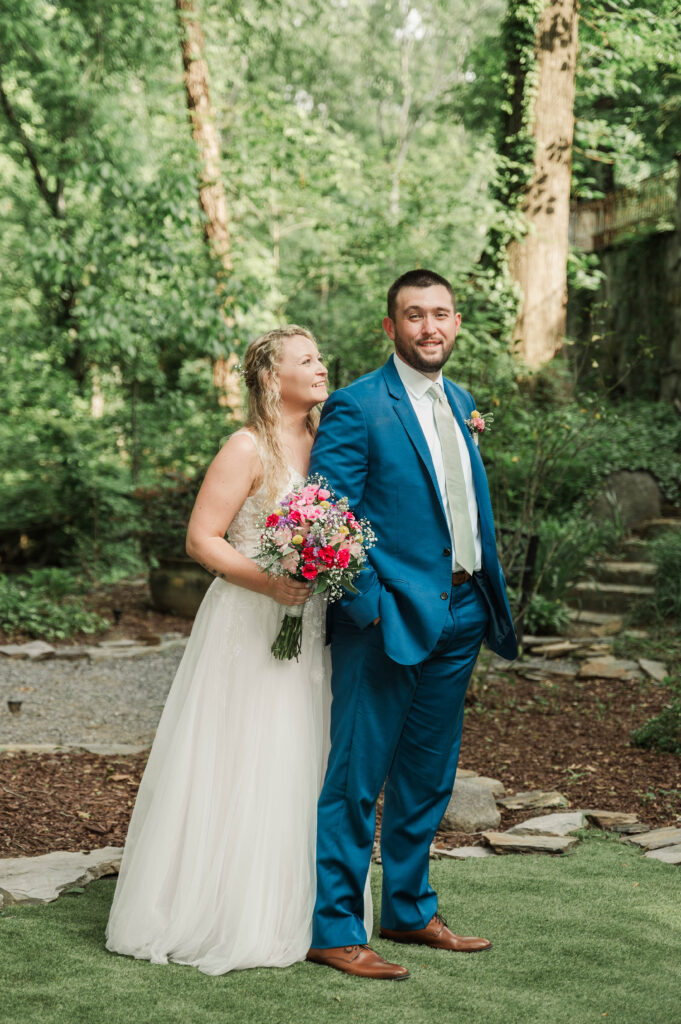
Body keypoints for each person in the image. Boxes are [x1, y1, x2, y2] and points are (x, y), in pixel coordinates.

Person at [106, 325, 349, 974]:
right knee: (242, 754)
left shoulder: (328, 440)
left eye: (320, 357)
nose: (321, 366)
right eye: (306, 359)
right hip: (248, 620)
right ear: (272, 378)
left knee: (297, 754)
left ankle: (291, 909)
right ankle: (217, 907)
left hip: (309, 624)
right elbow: (202, 540)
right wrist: (271, 583)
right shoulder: (245, 448)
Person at [306, 269, 518, 981]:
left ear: (456, 323)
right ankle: (334, 926)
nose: (429, 327)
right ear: (389, 327)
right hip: (384, 618)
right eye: (413, 315)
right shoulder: (357, 406)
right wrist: (368, 602)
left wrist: (480, 595)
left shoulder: (459, 403)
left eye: (441, 314)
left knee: (427, 775)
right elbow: (325, 515)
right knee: (355, 778)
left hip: (461, 613)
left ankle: (405, 906)